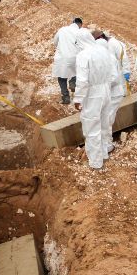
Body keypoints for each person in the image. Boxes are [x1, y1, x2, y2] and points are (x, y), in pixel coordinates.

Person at [73, 28, 117, 169]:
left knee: (91, 128)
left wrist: (78, 98)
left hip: (92, 94)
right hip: (106, 91)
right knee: (104, 124)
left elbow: (82, 80)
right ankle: (104, 153)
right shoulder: (104, 51)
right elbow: (112, 74)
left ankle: (96, 162)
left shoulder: (83, 55)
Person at [92, 29, 130, 152]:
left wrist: (103, 85)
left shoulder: (113, 46)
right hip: (113, 88)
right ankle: (106, 142)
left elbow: (122, 62)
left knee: (107, 117)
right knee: (107, 116)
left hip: (115, 88)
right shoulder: (105, 52)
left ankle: (108, 144)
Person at [52, 17, 83, 104]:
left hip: (61, 57)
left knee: (62, 77)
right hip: (75, 57)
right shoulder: (80, 32)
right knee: (76, 71)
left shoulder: (62, 29)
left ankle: (65, 97)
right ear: (80, 25)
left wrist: (62, 47)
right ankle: (73, 82)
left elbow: (55, 42)